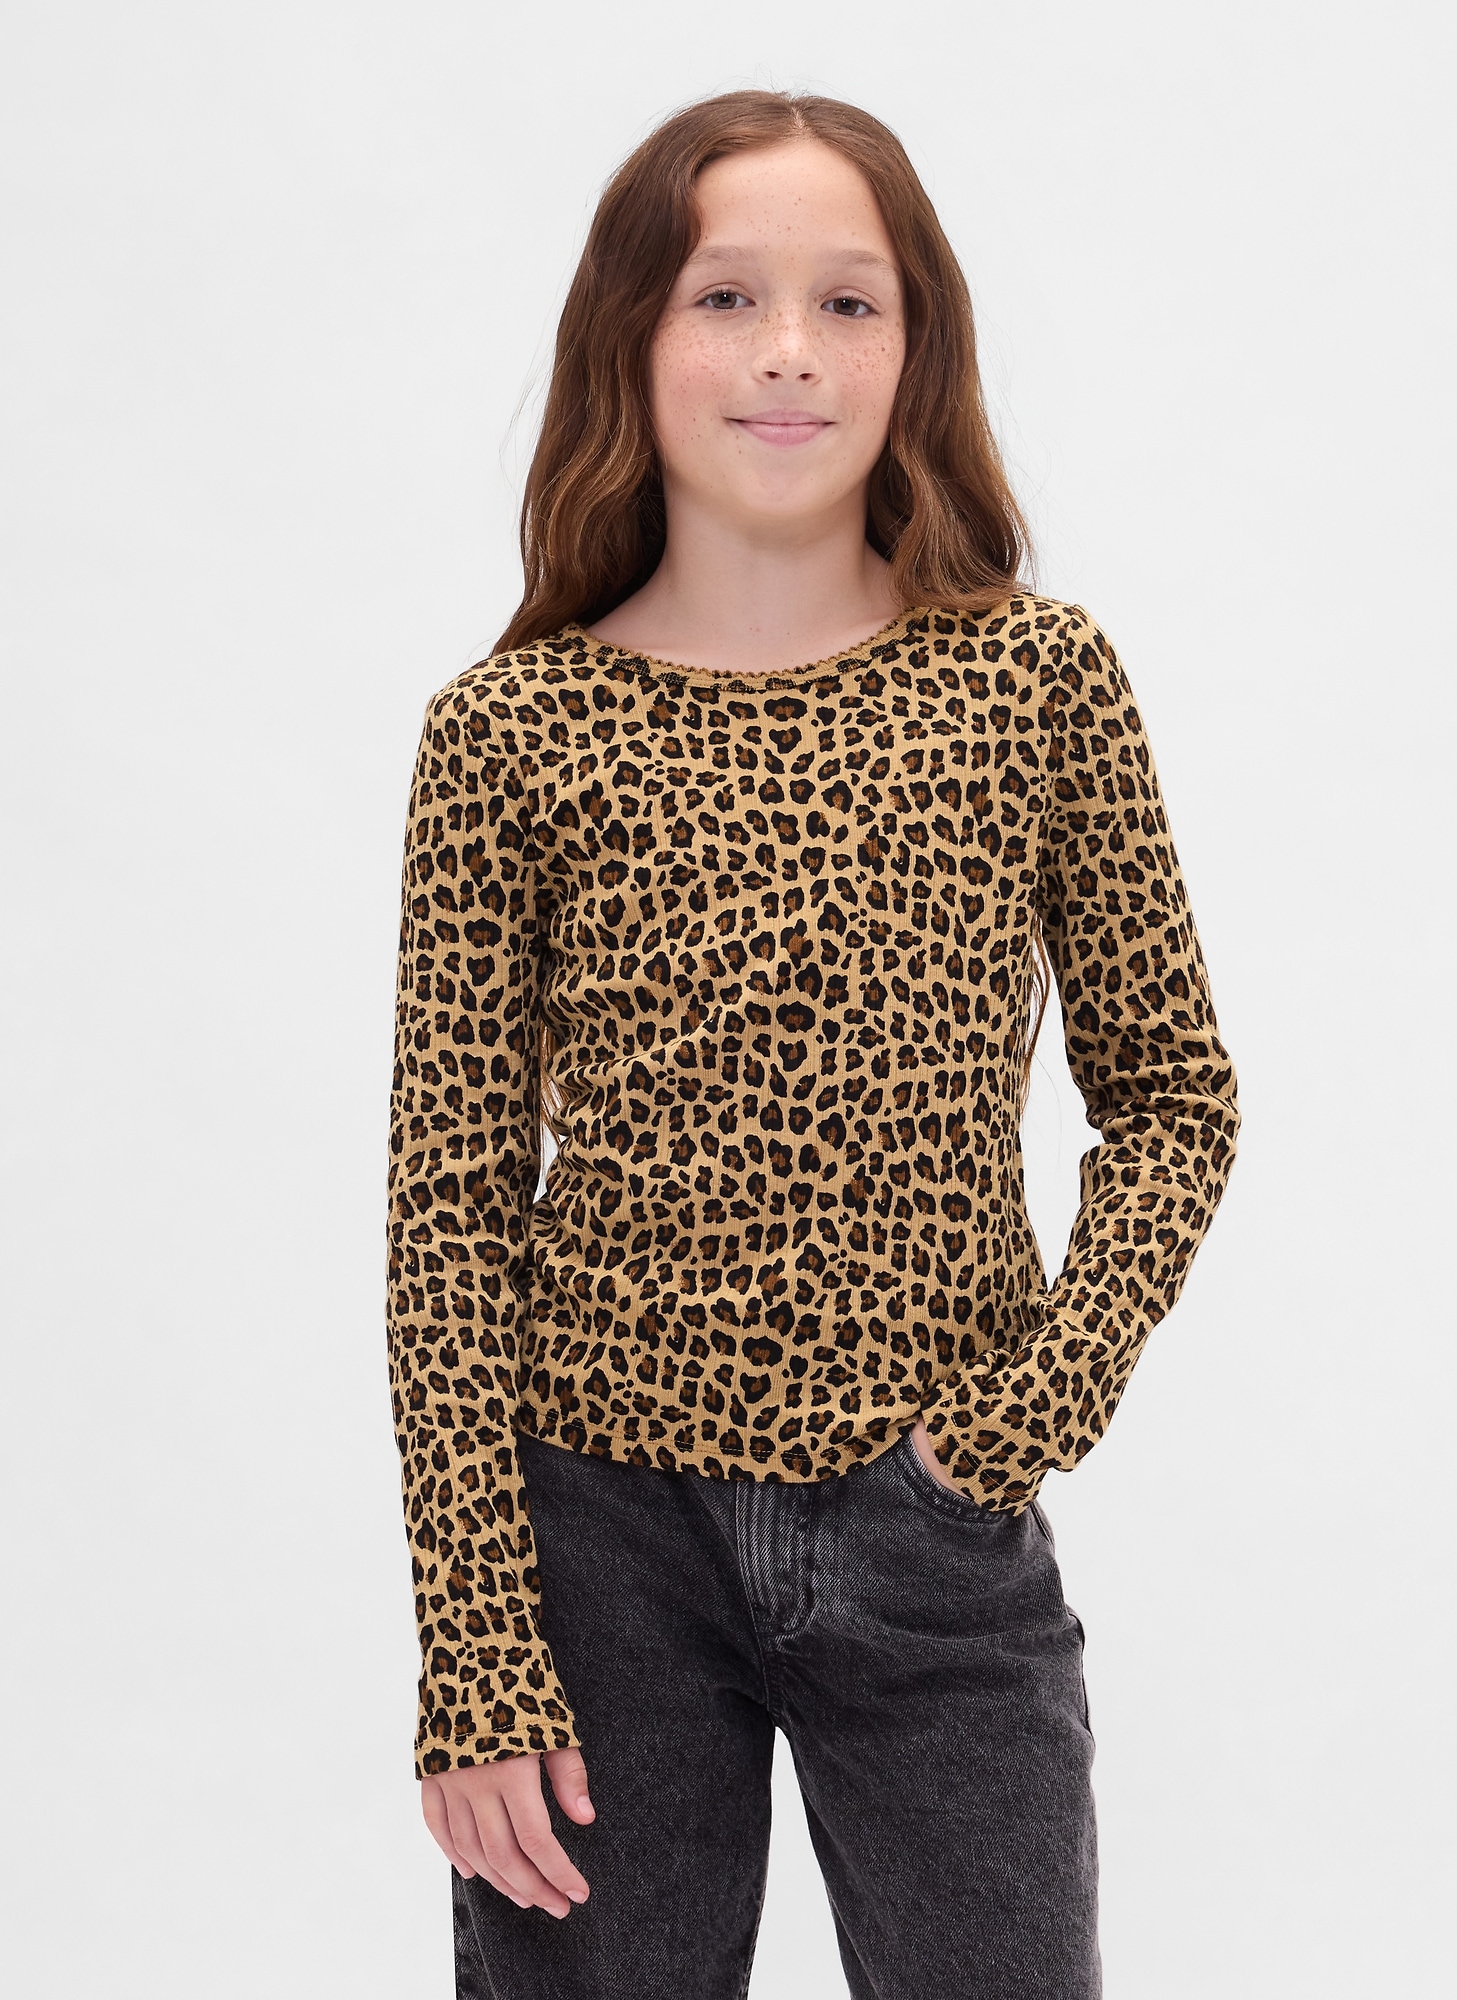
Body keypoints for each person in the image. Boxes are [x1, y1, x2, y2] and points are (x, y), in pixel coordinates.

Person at [386, 88, 1239, 2000]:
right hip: (594, 1552)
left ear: (916, 346)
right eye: (726, 297)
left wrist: (1014, 1423)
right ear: (632, 337)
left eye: (849, 303)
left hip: (935, 1538)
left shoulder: (1035, 684)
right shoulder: (508, 734)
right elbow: (448, 1212)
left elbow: (1177, 1101)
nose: (789, 350)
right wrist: (477, 1650)